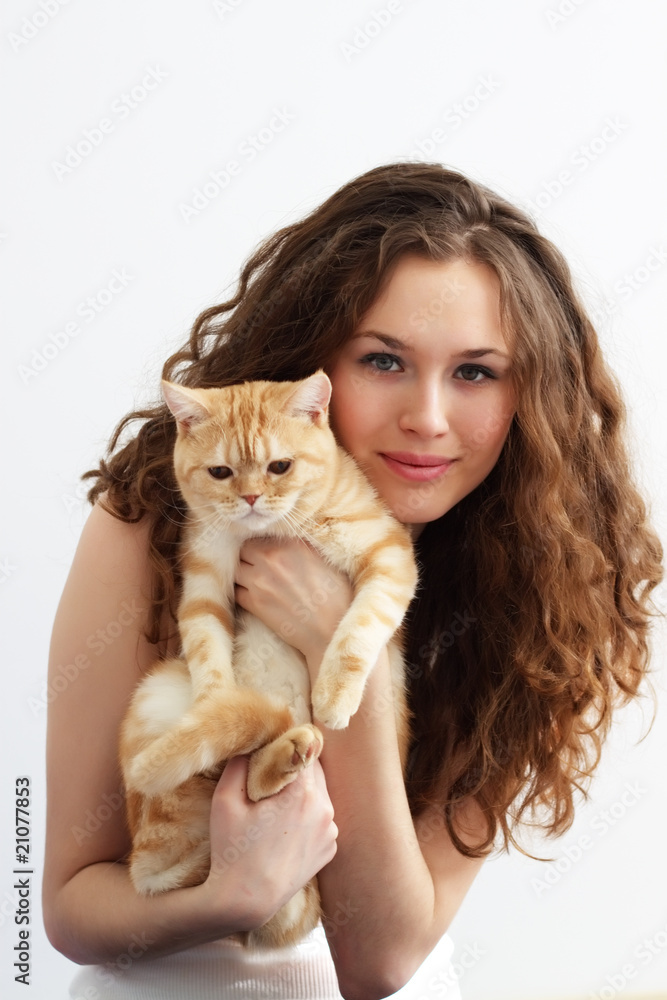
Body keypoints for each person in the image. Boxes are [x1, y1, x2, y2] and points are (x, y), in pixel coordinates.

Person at [43, 162, 663, 1000]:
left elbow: (382, 961)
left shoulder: (540, 597)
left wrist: (345, 638)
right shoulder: (157, 524)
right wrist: (232, 896)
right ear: (314, 365)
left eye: (476, 372)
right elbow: (70, 905)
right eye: (383, 361)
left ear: (533, 397)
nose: (429, 418)